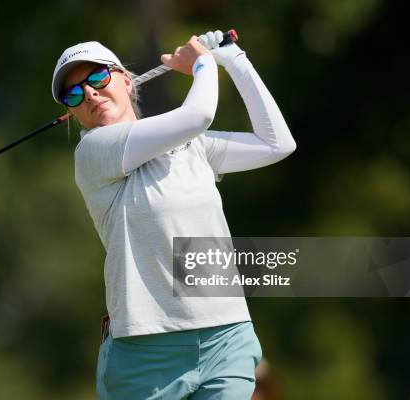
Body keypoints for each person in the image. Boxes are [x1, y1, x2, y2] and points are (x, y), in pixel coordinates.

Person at [51, 30, 296, 399]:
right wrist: (201, 63)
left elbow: (277, 143)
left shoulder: (191, 146)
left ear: (125, 78)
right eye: (74, 94)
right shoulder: (92, 153)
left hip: (225, 336)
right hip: (145, 354)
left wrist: (233, 59)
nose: (89, 93)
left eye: (97, 77)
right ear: (71, 113)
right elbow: (198, 114)